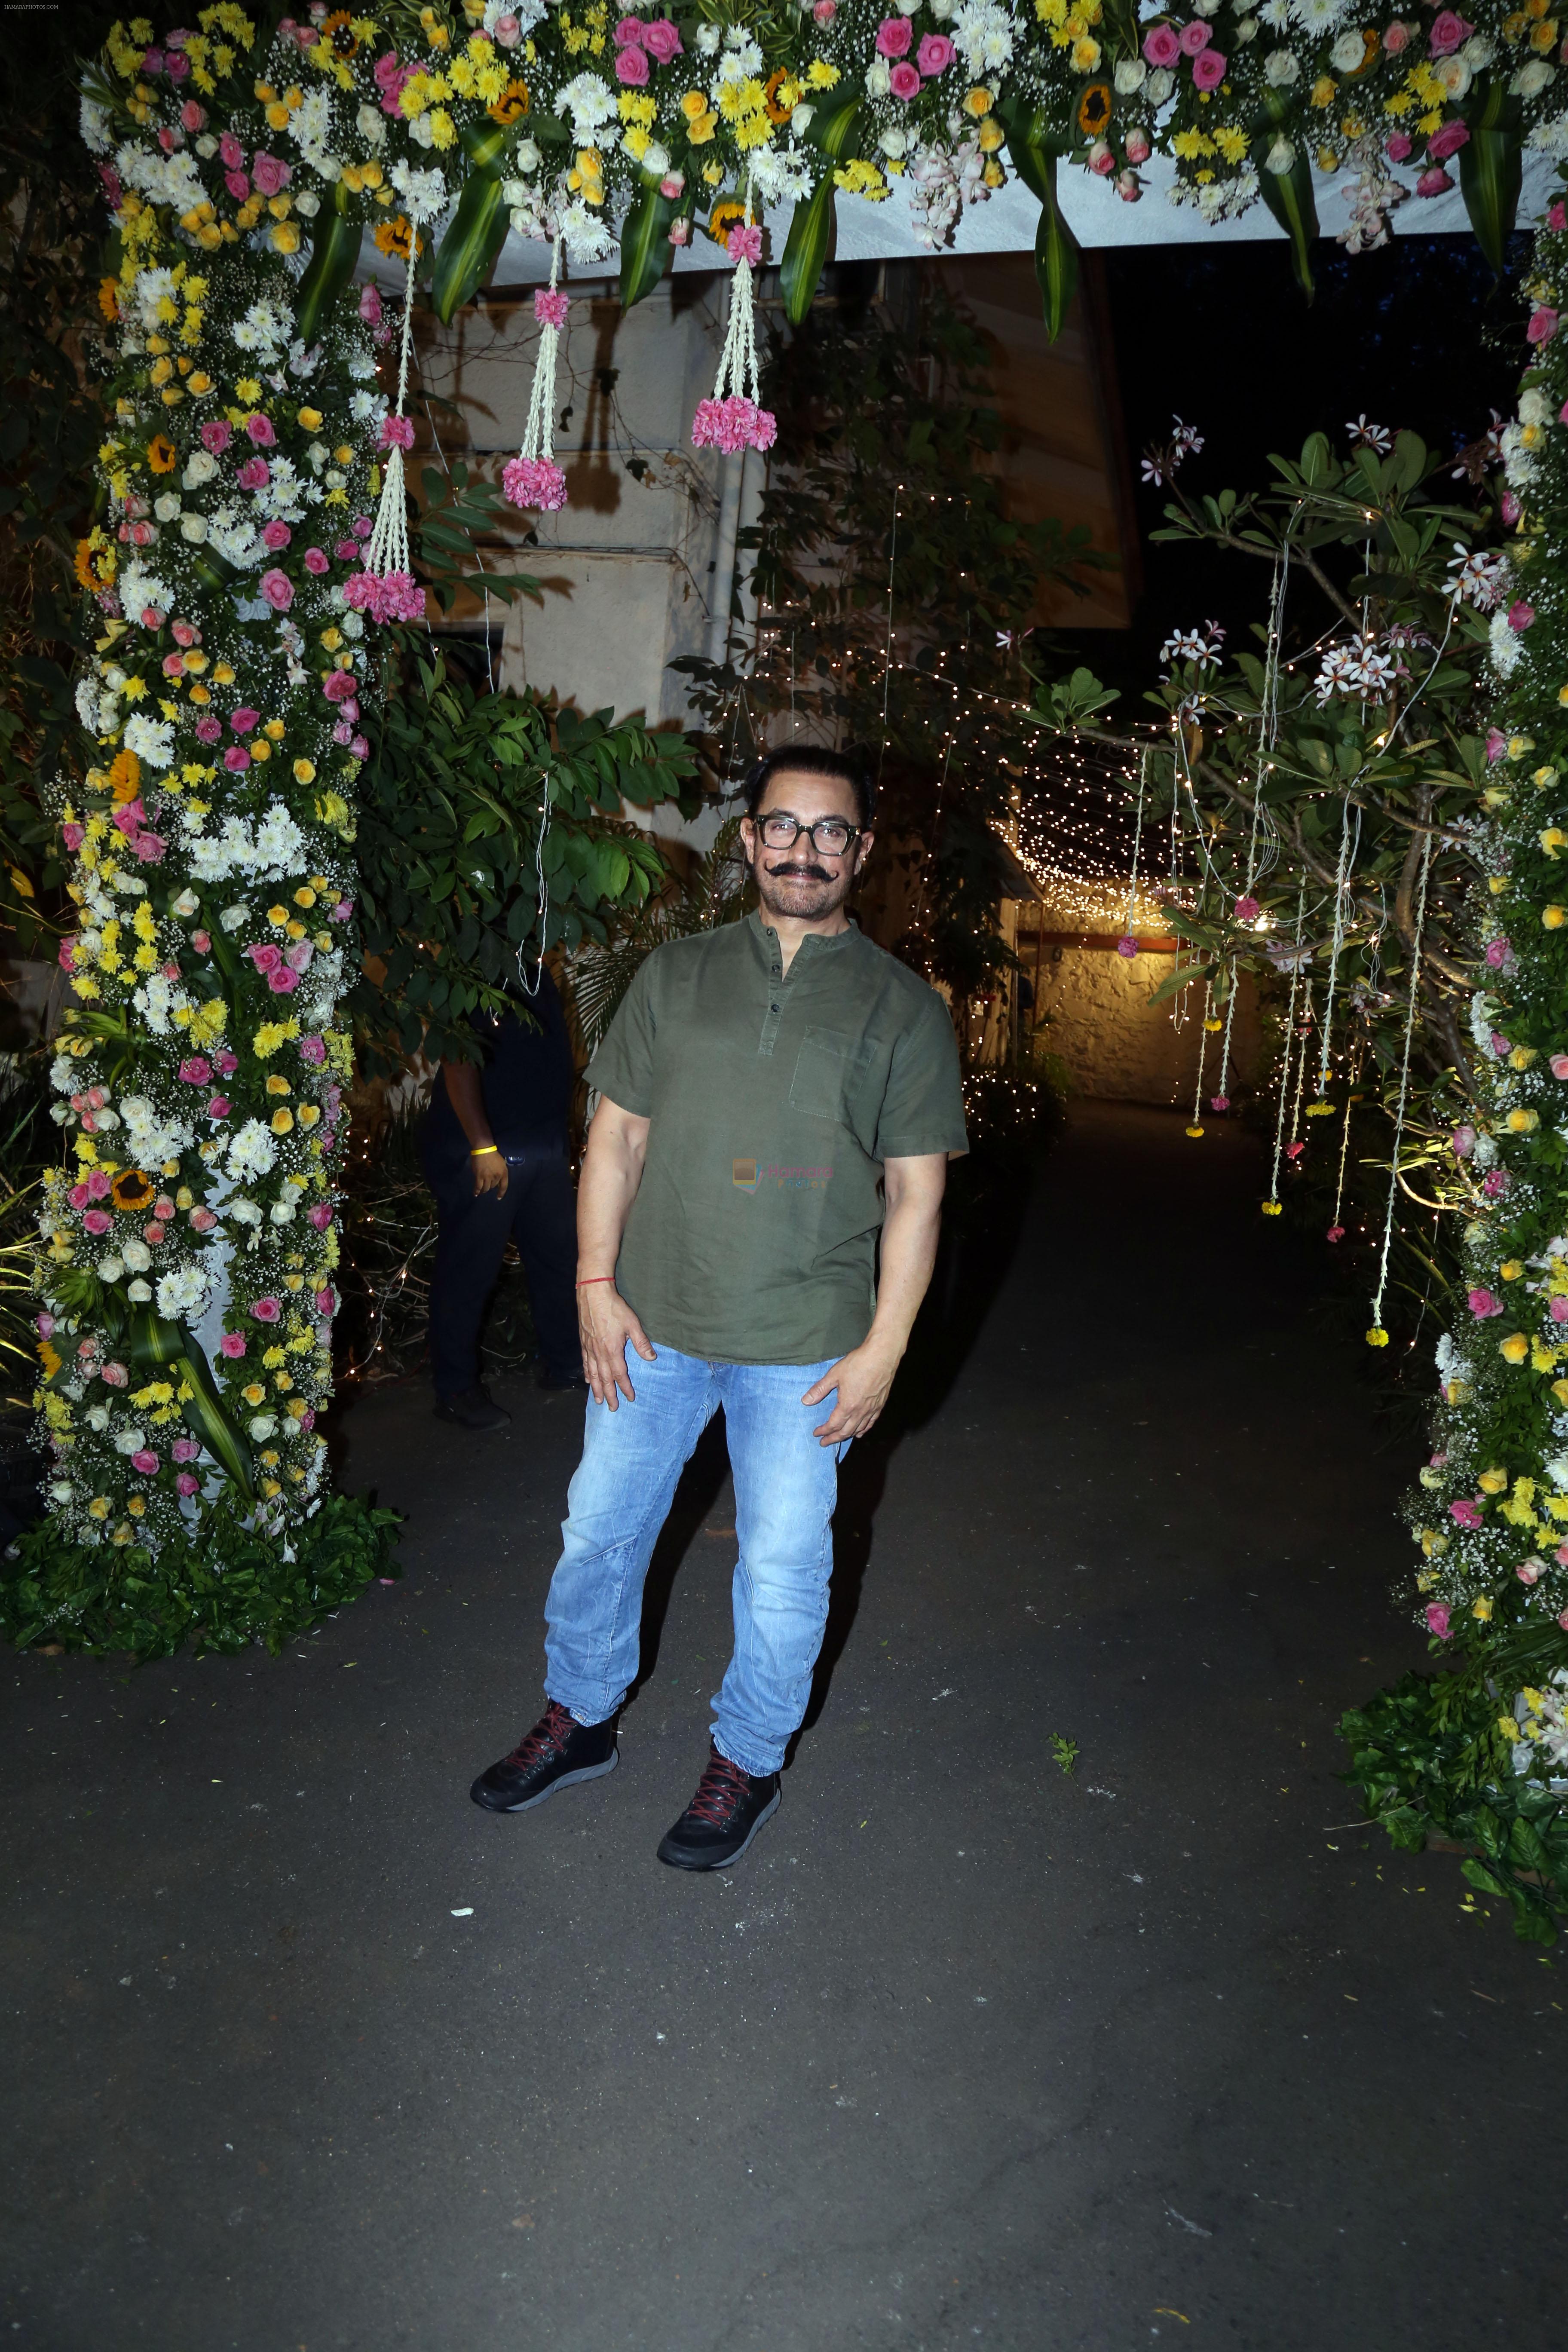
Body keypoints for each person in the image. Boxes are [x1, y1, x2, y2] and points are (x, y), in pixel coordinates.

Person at [470, 747, 968, 1870]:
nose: (804, 848)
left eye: (830, 830)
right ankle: (581, 1719)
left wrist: (886, 1350)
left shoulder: (902, 1010)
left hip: (806, 1343)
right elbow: (618, 1140)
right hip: (654, 1321)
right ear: (748, 841)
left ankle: (747, 1755)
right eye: (782, 826)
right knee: (601, 1534)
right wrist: (593, 1290)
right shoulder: (677, 975)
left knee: (786, 1569)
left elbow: (917, 1194)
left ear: (863, 852)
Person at [422, 962, 585, 1433]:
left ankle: (566, 1364)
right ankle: (454, 1390)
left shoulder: (536, 971)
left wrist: (561, 1139)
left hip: (541, 1147)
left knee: (558, 1261)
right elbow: (459, 1059)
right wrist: (482, 1145)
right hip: (490, 1153)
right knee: (469, 1271)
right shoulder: (475, 967)